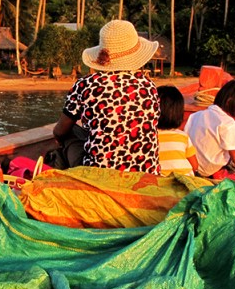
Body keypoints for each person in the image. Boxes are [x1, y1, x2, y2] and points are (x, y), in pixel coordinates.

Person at [52, 19, 160, 174]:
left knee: (69, 132)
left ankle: (68, 183)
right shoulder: (149, 86)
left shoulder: (86, 85)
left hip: (99, 174)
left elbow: (60, 131)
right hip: (145, 172)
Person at [184, 79, 235, 188]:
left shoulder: (196, 115)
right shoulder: (228, 124)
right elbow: (234, 153)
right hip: (206, 170)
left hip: (190, 164)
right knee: (232, 146)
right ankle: (218, 172)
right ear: (230, 102)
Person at [156, 85, 199, 177]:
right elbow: (195, 166)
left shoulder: (150, 137)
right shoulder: (183, 136)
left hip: (159, 180)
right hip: (184, 181)